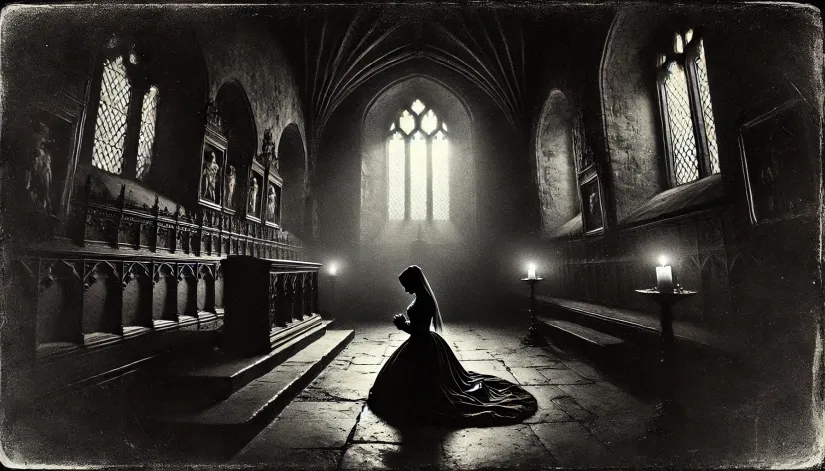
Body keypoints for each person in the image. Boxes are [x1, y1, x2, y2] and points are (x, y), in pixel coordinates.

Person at [368, 265, 537, 426]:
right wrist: (406, 323)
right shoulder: (421, 298)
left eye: (406, 285)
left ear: (414, 282)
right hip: (422, 341)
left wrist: (402, 325)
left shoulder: (424, 301)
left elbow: (419, 330)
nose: (405, 289)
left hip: (423, 343)